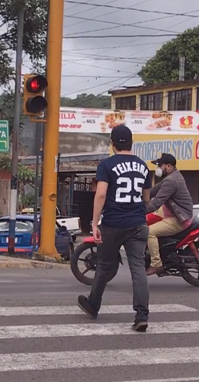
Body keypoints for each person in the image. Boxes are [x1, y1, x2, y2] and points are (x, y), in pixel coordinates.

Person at [77, 124, 153, 332]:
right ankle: (141, 315)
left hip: (112, 223)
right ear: (131, 143)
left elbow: (101, 194)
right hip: (137, 223)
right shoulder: (143, 166)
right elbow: (146, 197)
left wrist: (94, 223)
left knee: (103, 265)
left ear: (112, 144)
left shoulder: (107, 165)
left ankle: (93, 305)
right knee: (137, 268)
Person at [145, 153, 194, 276]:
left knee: (149, 232)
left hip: (178, 219)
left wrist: (137, 210)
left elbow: (156, 203)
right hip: (171, 215)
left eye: (160, 165)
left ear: (168, 166)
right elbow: (152, 192)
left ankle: (156, 264)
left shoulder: (171, 181)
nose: (158, 168)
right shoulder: (171, 177)